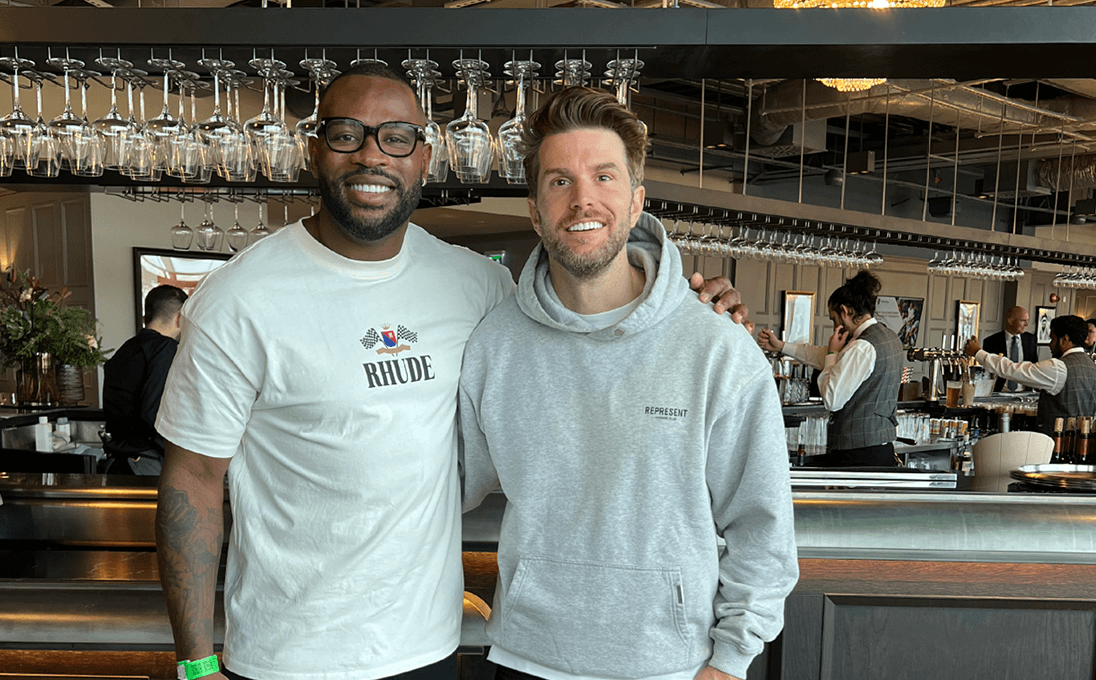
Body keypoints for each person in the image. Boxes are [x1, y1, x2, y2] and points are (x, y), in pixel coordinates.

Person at [152, 63, 751, 680]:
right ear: (313, 149)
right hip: (290, 658)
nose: (371, 155)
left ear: (425, 156)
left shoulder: (479, 286)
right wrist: (196, 665)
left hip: (433, 648)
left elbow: (580, 320)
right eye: (345, 134)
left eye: (396, 137)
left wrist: (686, 306)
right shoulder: (237, 299)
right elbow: (192, 479)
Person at [459, 87, 798, 680]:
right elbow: (449, 484)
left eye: (605, 177)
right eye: (559, 180)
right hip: (525, 659)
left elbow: (762, 526)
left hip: (669, 666)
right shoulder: (494, 344)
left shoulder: (717, 347)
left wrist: (732, 659)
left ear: (637, 201)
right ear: (535, 211)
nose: (582, 198)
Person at [756, 271, 903, 467]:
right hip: (881, 447)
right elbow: (820, 355)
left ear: (845, 311)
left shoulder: (861, 347)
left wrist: (833, 354)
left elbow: (832, 400)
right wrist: (782, 346)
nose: (835, 326)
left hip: (857, 453)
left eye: (834, 318)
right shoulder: (889, 337)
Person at [100, 284, 188, 476]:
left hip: (118, 461)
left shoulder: (124, 351)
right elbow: (154, 413)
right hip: (146, 463)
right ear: (180, 318)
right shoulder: (165, 349)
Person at [965, 315, 1096, 436]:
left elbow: (1012, 370)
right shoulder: (1092, 365)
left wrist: (978, 353)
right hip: (1082, 443)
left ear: (1065, 339)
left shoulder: (1058, 367)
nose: (1050, 344)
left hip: (1054, 442)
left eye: (1052, 338)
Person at [981, 306, 1038, 392]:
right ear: (1010, 321)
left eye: (1027, 320)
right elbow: (987, 370)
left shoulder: (1031, 340)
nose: (1026, 324)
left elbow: (1034, 366)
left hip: (1024, 393)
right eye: (1023, 321)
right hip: (999, 393)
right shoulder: (991, 341)